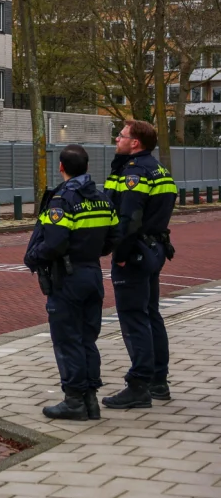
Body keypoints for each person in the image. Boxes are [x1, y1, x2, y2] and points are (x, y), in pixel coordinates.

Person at [24, 145, 118, 421]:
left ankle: (74, 401)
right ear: (87, 167)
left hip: (67, 278)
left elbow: (54, 243)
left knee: (67, 340)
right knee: (88, 338)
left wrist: (32, 257)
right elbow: (114, 236)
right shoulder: (102, 198)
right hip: (92, 275)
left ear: (61, 168)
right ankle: (90, 400)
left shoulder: (62, 200)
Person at [102, 120, 177, 409]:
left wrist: (119, 252)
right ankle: (159, 381)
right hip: (153, 250)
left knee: (134, 318)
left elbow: (128, 219)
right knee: (150, 314)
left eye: (121, 136)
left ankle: (139, 385)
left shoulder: (134, 173)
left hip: (134, 253)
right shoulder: (158, 169)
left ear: (135, 143)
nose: (116, 140)